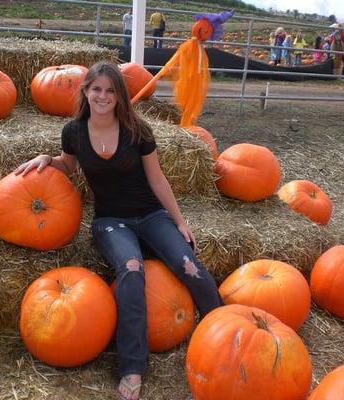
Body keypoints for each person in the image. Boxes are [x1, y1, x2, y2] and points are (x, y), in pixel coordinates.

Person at [14, 61, 222, 400]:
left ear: (119, 96)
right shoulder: (74, 132)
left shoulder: (137, 130)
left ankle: (223, 328)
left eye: (110, 90)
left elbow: (157, 178)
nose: (103, 96)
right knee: (131, 269)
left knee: (190, 266)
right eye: (96, 89)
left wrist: (180, 221)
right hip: (111, 221)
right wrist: (47, 159)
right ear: (85, 92)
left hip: (151, 215)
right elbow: (69, 164)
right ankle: (132, 366)